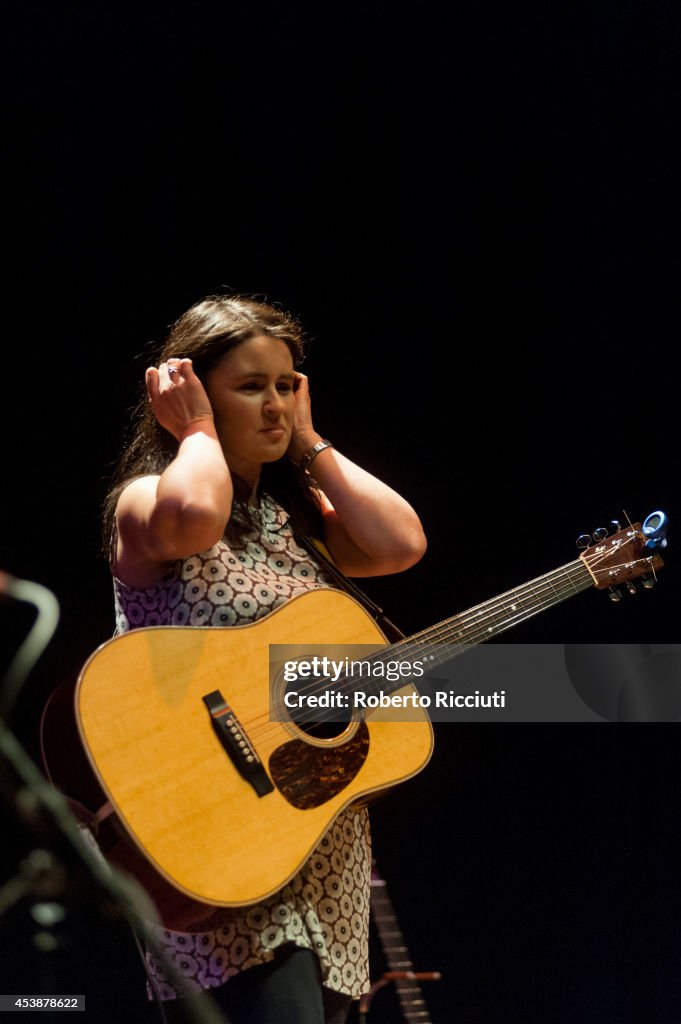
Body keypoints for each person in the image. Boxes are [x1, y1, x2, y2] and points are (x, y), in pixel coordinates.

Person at [100, 292, 427, 1024]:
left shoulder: (293, 525)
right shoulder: (147, 500)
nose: (275, 405)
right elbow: (196, 517)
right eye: (250, 387)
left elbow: (400, 544)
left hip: (315, 843)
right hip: (214, 844)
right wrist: (194, 432)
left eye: (286, 384)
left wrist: (308, 442)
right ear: (192, 391)